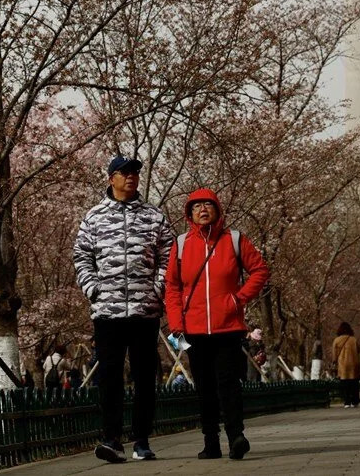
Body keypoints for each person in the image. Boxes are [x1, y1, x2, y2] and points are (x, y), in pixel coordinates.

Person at [73, 155, 174, 463]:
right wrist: (94, 289)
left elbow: (169, 257)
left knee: (145, 376)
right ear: (111, 178)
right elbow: (81, 257)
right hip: (108, 312)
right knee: (109, 376)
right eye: (124, 173)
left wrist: (156, 289)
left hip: (145, 312)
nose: (131, 177)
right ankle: (111, 439)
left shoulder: (154, 217)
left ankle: (142, 441)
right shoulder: (94, 217)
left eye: (134, 173)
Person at [165, 188, 270, 461]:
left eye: (208, 205)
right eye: (196, 206)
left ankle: (236, 436)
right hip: (193, 329)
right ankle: (210, 442)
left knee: (229, 383)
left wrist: (239, 299)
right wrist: (176, 323)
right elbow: (172, 286)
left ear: (217, 210)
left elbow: (260, 270)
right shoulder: (182, 244)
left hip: (228, 327)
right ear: (189, 214)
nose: (202, 210)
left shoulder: (234, 240)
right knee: (205, 387)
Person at [333, 323, 360, 408]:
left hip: (342, 364)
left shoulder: (337, 340)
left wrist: (334, 361)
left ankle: (347, 401)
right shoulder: (353, 339)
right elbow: (359, 350)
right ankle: (354, 401)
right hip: (353, 363)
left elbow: (334, 354)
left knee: (344, 383)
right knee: (354, 383)